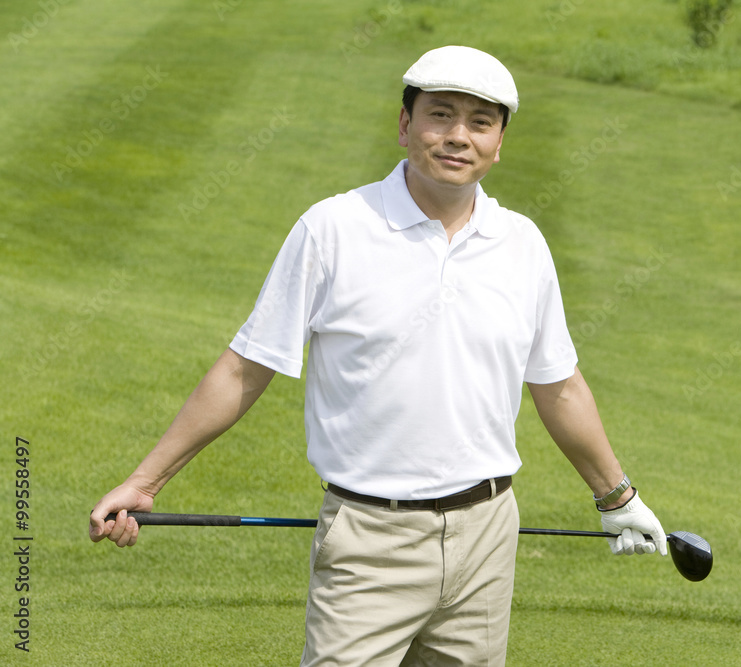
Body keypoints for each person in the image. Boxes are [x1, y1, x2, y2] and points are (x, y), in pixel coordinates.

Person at [90, 45, 669, 666]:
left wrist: (618, 497)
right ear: (404, 126)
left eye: (479, 122)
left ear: (500, 143)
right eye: (439, 115)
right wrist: (144, 483)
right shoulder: (333, 229)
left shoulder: (522, 244)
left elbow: (559, 385)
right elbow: (245, 367)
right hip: (368, 539)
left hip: (488, 536)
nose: (457, 137)